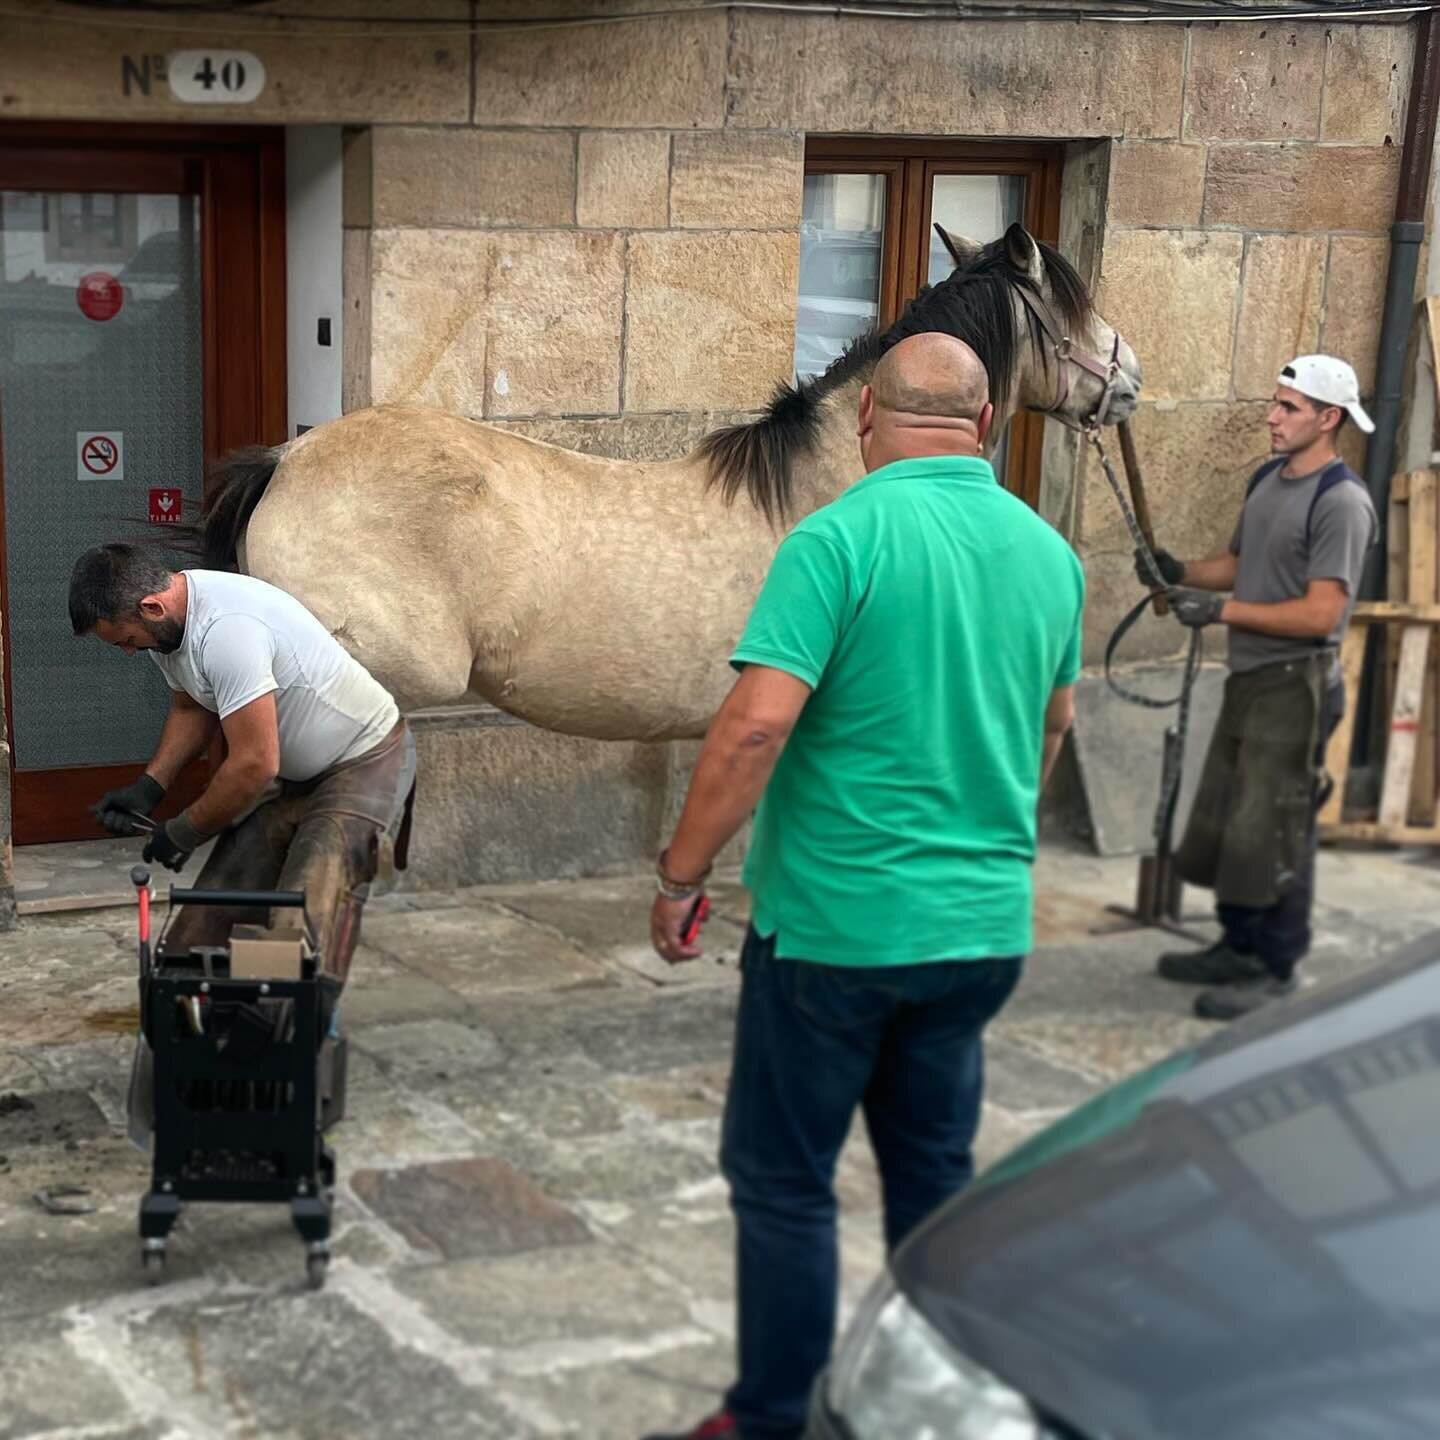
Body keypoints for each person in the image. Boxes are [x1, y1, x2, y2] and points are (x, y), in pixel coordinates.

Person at [642, 333, 1085, 1440]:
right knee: (934, 1182)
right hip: (979, 932)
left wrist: (681, 873)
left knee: (785, 1181)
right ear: (987, 425)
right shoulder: (1050, 554)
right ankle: (930, 1408)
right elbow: (1054, 727)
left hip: (836, 934)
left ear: (866, 423)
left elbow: (753, 729)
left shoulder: (836, 539)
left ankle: (774, 1415)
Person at [69, 543, 416, 1126]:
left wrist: (184, 830)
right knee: (221, 899)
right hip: (296, 768)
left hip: (362, 758)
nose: (129, 652)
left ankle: (291, 1079)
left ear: (152, 606)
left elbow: (252, 767)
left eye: (126, 639)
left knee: (303, 912)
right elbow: (191, 706)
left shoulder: (228, 629)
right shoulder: (169, 626)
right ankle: (198, 1056)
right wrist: (150, 788)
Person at [1138, 355, 1378, 1021]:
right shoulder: (1268, 480)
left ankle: (1275, 966)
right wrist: (1178, 571)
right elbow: (1241, 567)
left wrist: (1218, 613)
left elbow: (1321, 613)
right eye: (1275, 403)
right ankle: (1237, 945)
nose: (1272, 417)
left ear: (1328, 418)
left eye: (1289, 407)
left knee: (1276, 828)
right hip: (1251, 679)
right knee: (1233, 822)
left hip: (1295, 684)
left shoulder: (1343, 503)